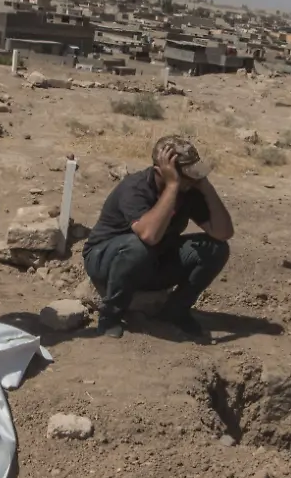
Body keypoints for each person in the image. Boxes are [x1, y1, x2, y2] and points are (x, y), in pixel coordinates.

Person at [83, 136, 234, 340]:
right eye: (188, 176)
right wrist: (172, 186)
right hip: (105, 260)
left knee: (216, 248)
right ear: (161, 172)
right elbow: (149, 236)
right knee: (139, 246)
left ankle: (175, 311)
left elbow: (223, 232)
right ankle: (110, 315)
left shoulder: (188, 190)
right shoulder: (135, 188)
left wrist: (206, 187)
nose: (193, 180)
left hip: (151, 261)